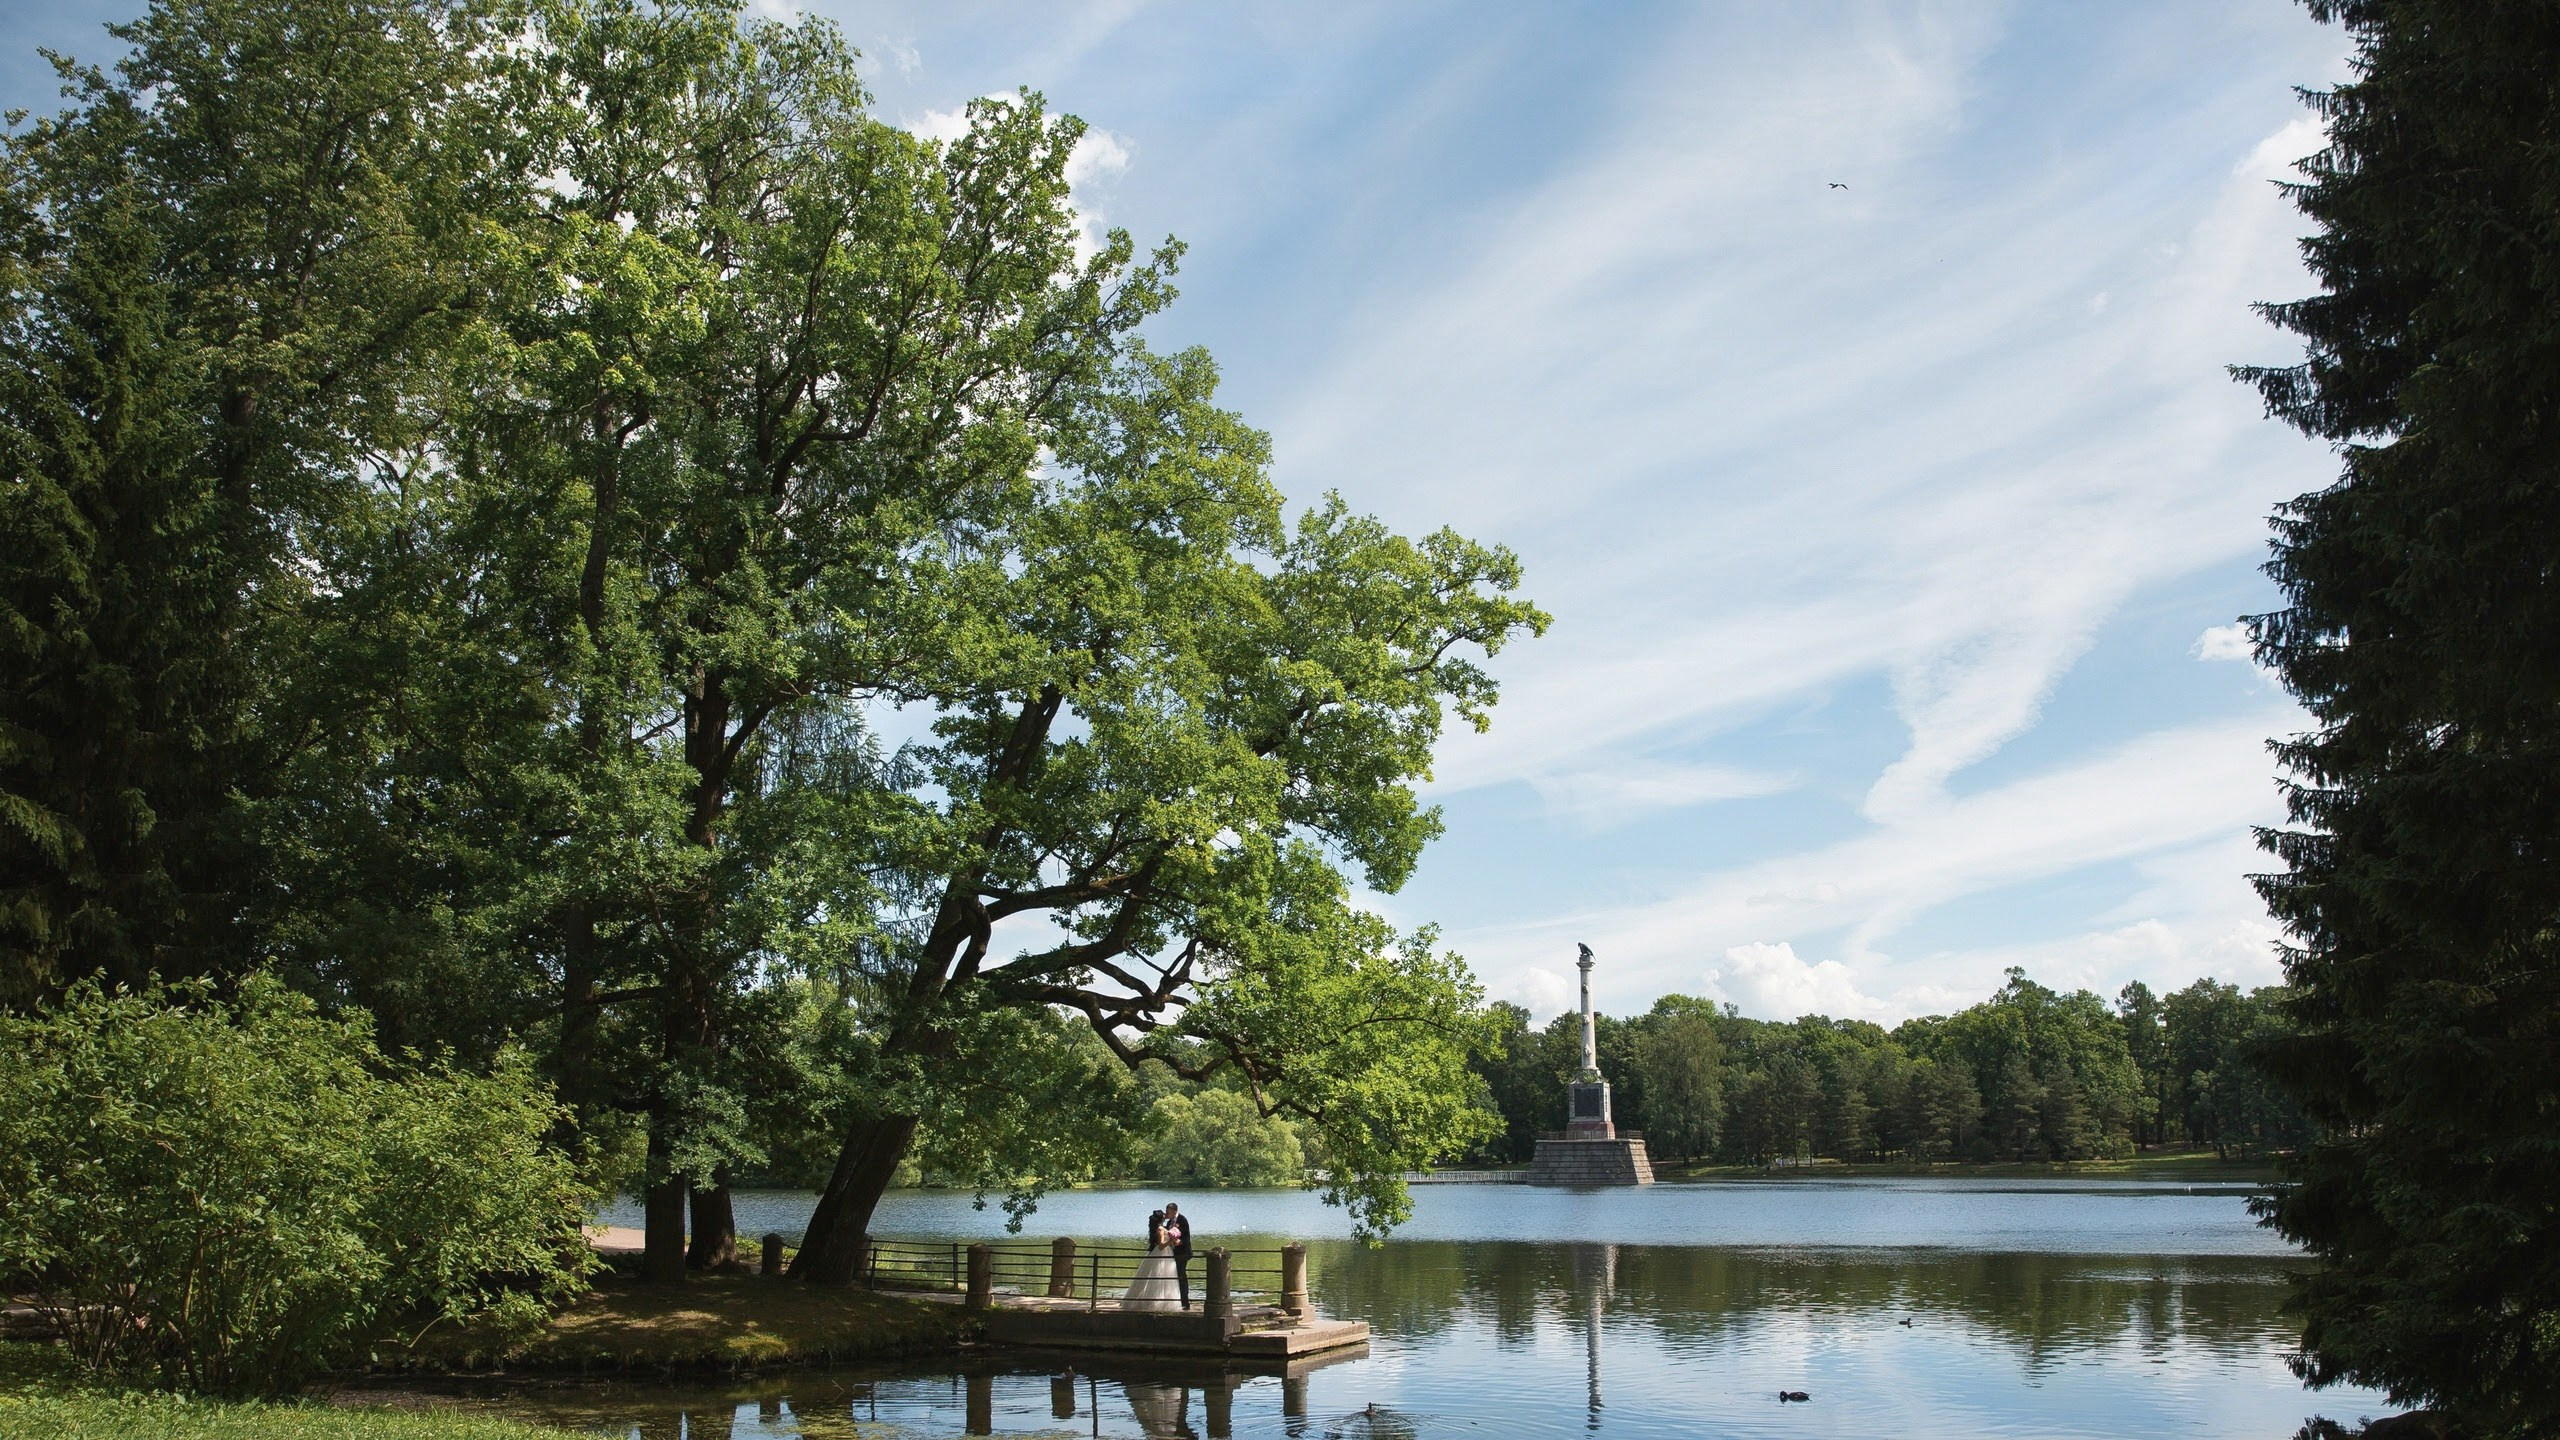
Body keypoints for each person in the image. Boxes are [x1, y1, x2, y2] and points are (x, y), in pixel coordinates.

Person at [1122, 1208, 1182, 1310]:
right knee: (1159, 1277)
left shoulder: (1159, 1228)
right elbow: (1161, 1246)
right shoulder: (1160, 1229)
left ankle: (1160, 1300)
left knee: (1160, 1277)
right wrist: (1171, 1241)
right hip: (1162, 1254)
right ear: (1161, 1218)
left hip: (1162, 1253)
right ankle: (1157, 1302)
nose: (1165, 1214)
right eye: (1163, 1214)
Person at [1163, 1201, 1194, 1310]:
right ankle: (1177, 1300)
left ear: (1174, 1211)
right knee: (1175, 1276)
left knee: (1181, 1275)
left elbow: (1186, 1236)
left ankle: (1185, 1302)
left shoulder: (1182, 1220)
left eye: (1169, 1212)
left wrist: (1179, 1242)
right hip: (1174, 1253)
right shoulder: (1169, 1222)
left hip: (1183, 1252)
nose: (1167, 1214)